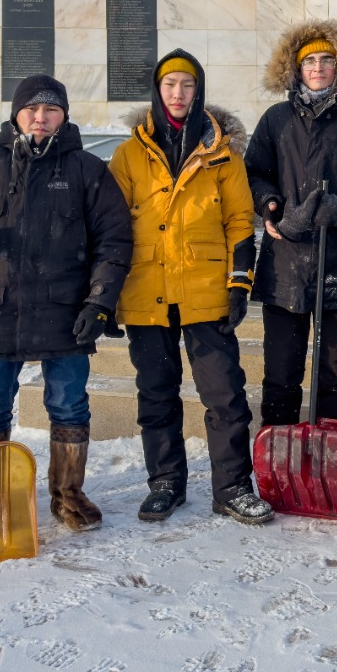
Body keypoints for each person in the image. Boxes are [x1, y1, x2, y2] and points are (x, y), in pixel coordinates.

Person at [0, 74, 132, 532]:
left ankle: (68, 494)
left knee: (69, 406)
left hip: (65, 313)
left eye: (51, 110)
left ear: (63, 116)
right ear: (16, 113)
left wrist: (99, 303)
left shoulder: (86, 169)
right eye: (32, 109)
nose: (40, 118)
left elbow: (114, 240)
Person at [110, 50, 272, 526]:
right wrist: (108, 296)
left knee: (224, 395)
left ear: (198, 91)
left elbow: (241, 221)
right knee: (156, 394)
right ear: (157, 92)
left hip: (206, 293)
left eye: (187, 85)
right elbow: (112, 226)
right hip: (147, 292)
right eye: (170, 85)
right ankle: (165, 482)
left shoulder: (223, 154)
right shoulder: (128, 155)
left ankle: (232, 487)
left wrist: (239, 285)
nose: (178, 94)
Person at [245, 19, 337, 427]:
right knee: (281, 376)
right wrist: (270, 203)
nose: (319, 68)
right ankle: (278, 456)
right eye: (310, 61)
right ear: (296, 67)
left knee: (336, 376)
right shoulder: (276, 120)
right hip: (286, 262)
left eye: (327, 59)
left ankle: (330, 458)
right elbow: (254, 171)